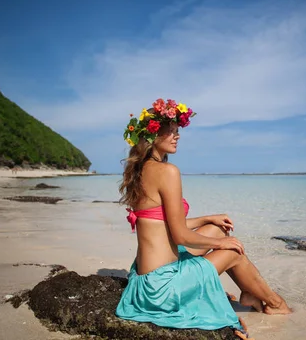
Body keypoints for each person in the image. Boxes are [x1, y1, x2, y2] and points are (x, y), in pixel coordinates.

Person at [115, 98, 292, 339]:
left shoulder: (141, 169)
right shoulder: (168, 172)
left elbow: (162, 223)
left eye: (178, 132)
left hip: (143, 282)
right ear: (154, 135)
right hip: (162, 289)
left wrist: (209, 218)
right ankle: (275, 303)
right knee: (233, 251)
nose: (177, 136)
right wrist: (223, 246)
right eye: (171, 132)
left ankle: (249, 293)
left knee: (217, 229)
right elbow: (178, 235)